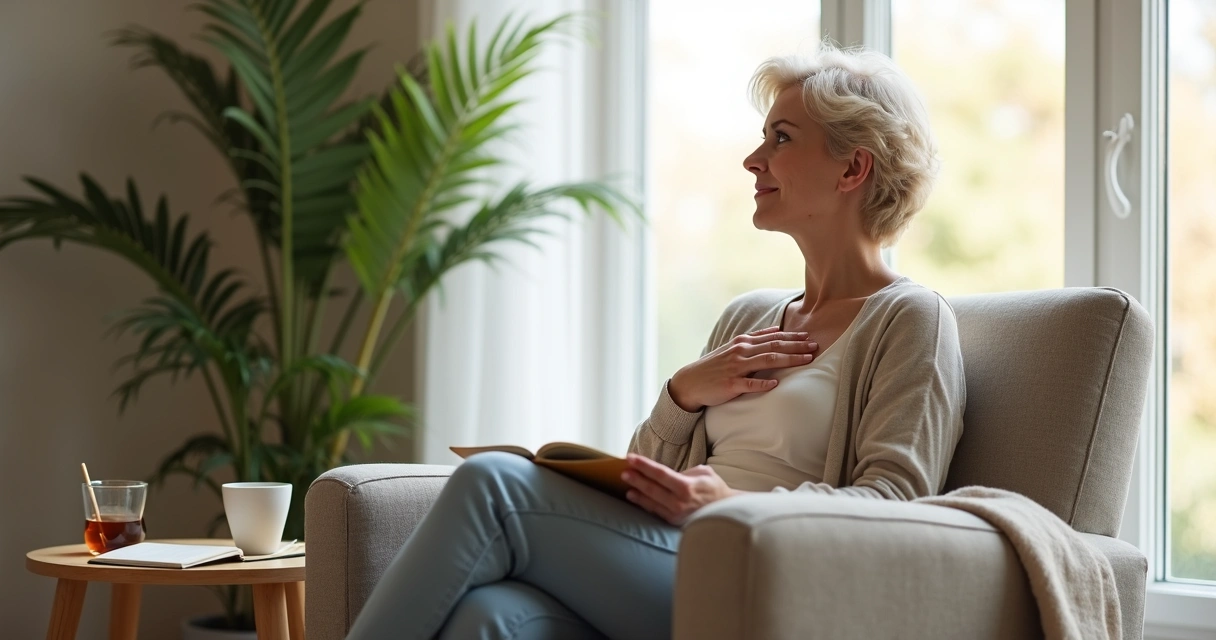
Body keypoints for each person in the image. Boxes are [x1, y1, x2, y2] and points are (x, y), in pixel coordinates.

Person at [345, 42, 965, 640]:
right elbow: (651, 486)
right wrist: (682, 393)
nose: (754, 160)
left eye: (781, 138)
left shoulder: (909, 319)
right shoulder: (748, 318)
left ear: (853, 167)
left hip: (771, 578)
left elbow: (897, 503)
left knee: (493, 483)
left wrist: (731, 505)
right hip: (679, 559)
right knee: (492, 616)